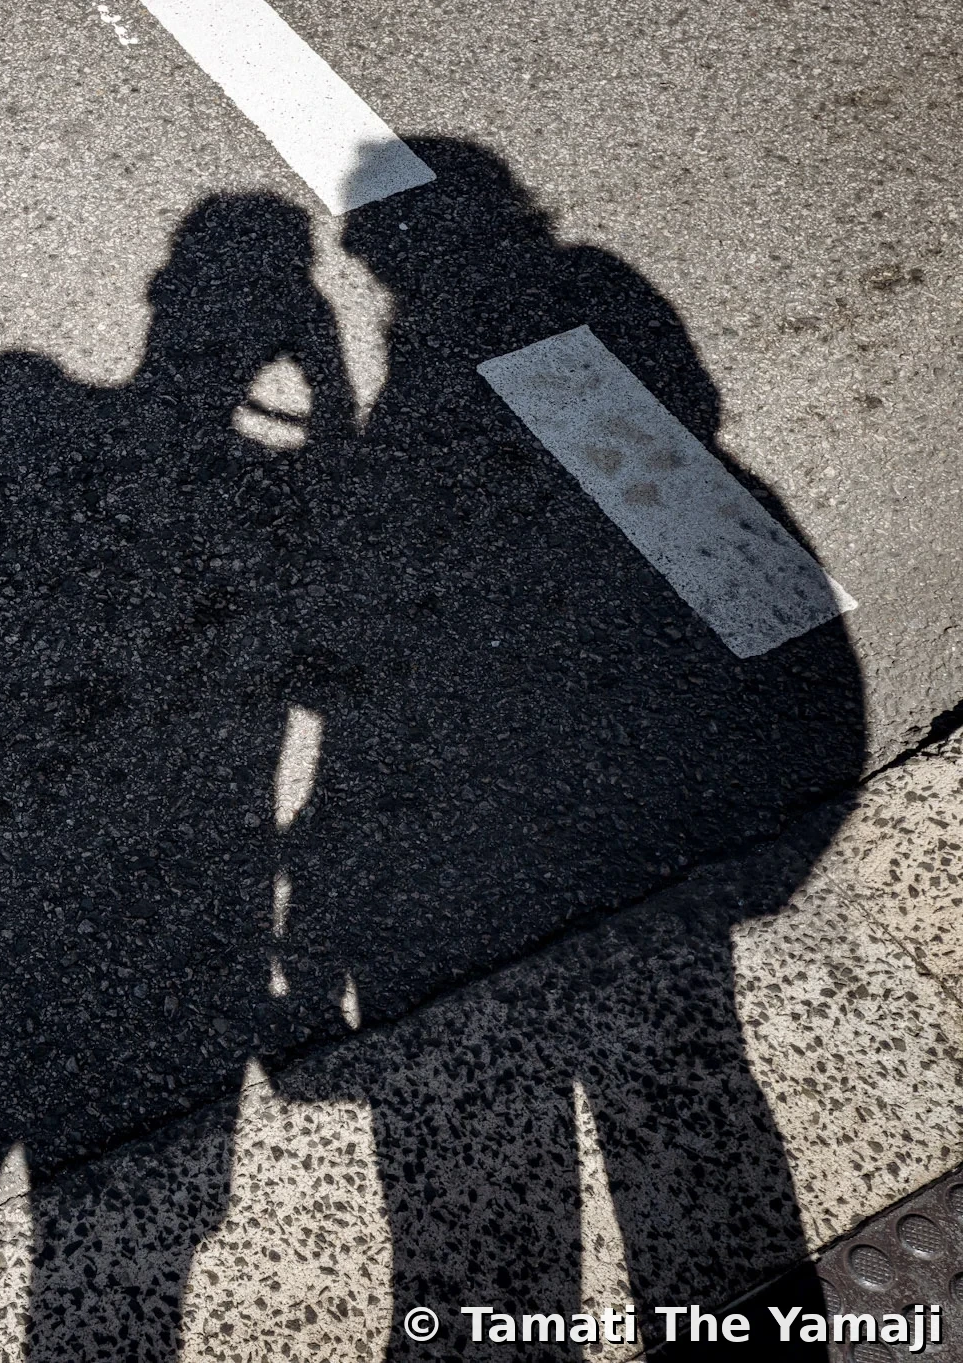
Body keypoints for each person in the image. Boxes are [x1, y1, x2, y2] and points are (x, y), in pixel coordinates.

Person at [266, 139, 863, 1358]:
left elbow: (351, 652)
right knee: (699, 1143)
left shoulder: (467, 424)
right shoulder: (643, 441)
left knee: (482, 1214)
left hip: (502, 871)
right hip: (646, 860)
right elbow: (786, 649)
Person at [0, 193, 353, 1362]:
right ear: (285, 339)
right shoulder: (279, 504)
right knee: (113, 1298)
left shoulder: (24, 407)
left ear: (154, 300)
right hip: (164, 938)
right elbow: (348, 652)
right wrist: (331, 408)